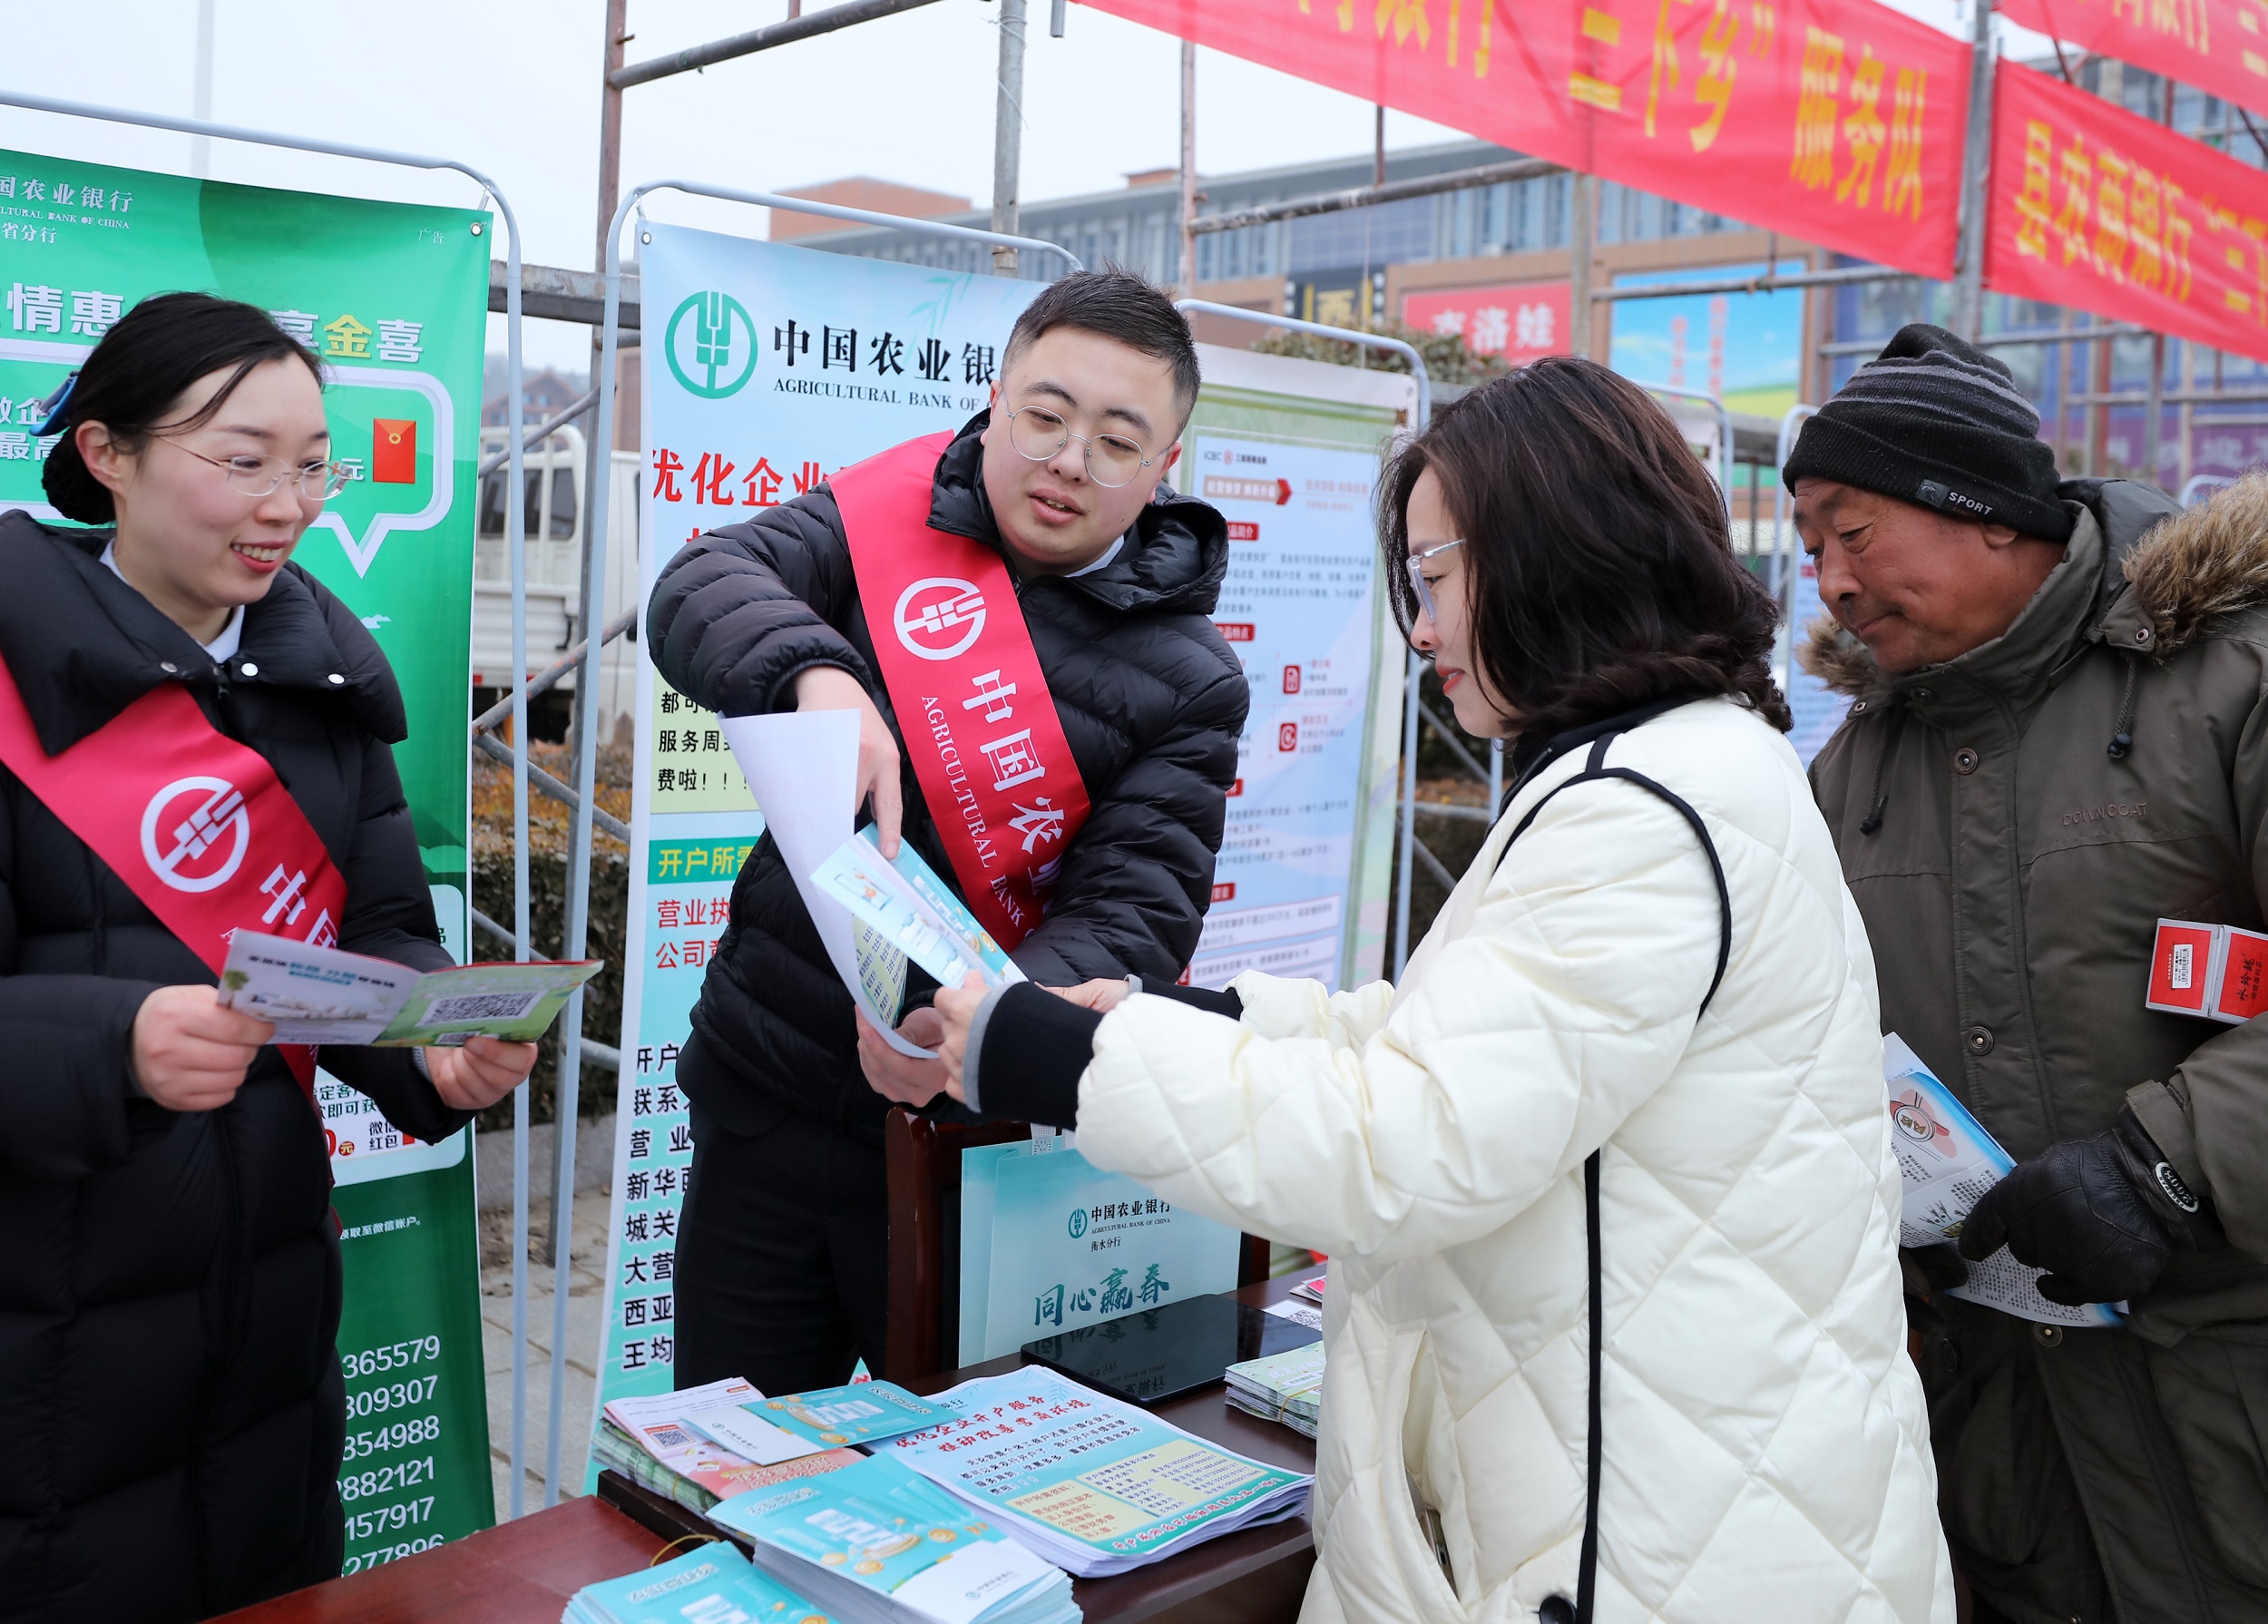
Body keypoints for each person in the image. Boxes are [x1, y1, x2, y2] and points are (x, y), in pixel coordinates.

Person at [934, 359, 1954, 1624]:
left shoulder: (1639, 810)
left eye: (1432, 579)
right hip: (1676, 1488)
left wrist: (1052, 1058)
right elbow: (1462, 1040)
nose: (1421, 632)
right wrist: (1188, 1018)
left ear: (1549, 555)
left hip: (1645, 1542)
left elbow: (1408, 1139)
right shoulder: (1678, 764)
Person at [0, 292, 533, 1620]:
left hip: (272, 1313)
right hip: (41, 1326)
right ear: (108, 453)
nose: (286, 505)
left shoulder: (324, 687)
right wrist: (111, 1043)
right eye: (242, 461)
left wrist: (435, 1049)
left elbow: (373, 934)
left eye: (312, 466)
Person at [646, 270, 1247, 1397]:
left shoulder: (1192, 678)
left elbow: (1132, 916)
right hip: (765, 1096)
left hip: (969, 1151)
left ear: (1164, 464)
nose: (1068, 461)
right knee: (735, 1461)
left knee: (952, 1480)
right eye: (1045, 416)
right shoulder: (886, 517)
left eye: (1117, 441)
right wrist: (813, 668)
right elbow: (699, 583)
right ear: (997, 399)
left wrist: (975, 1038)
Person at [1794, 323, 2268, 1623]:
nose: (1829, 581)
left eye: (1853, 532)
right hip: (2013, 1444)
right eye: (1811, 547)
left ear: (1990, 511)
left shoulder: (2230, 678)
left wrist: (2165, 1162)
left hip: (2232, 1396)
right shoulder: (1850, 772)